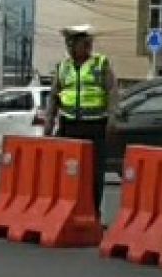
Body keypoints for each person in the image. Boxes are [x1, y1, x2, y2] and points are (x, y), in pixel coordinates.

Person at [44, 25, 116, 219]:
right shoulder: (63, 67)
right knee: (68, 171)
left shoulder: (101, 64)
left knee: (94, 173)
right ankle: (69, 211)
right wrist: (49, 123)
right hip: (69, 125)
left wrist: (112, 118)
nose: (86, 47)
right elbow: (53, 96)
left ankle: (93, 213)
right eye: (78, 44)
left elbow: (112, 92)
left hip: (95, 125)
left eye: (87, 43)